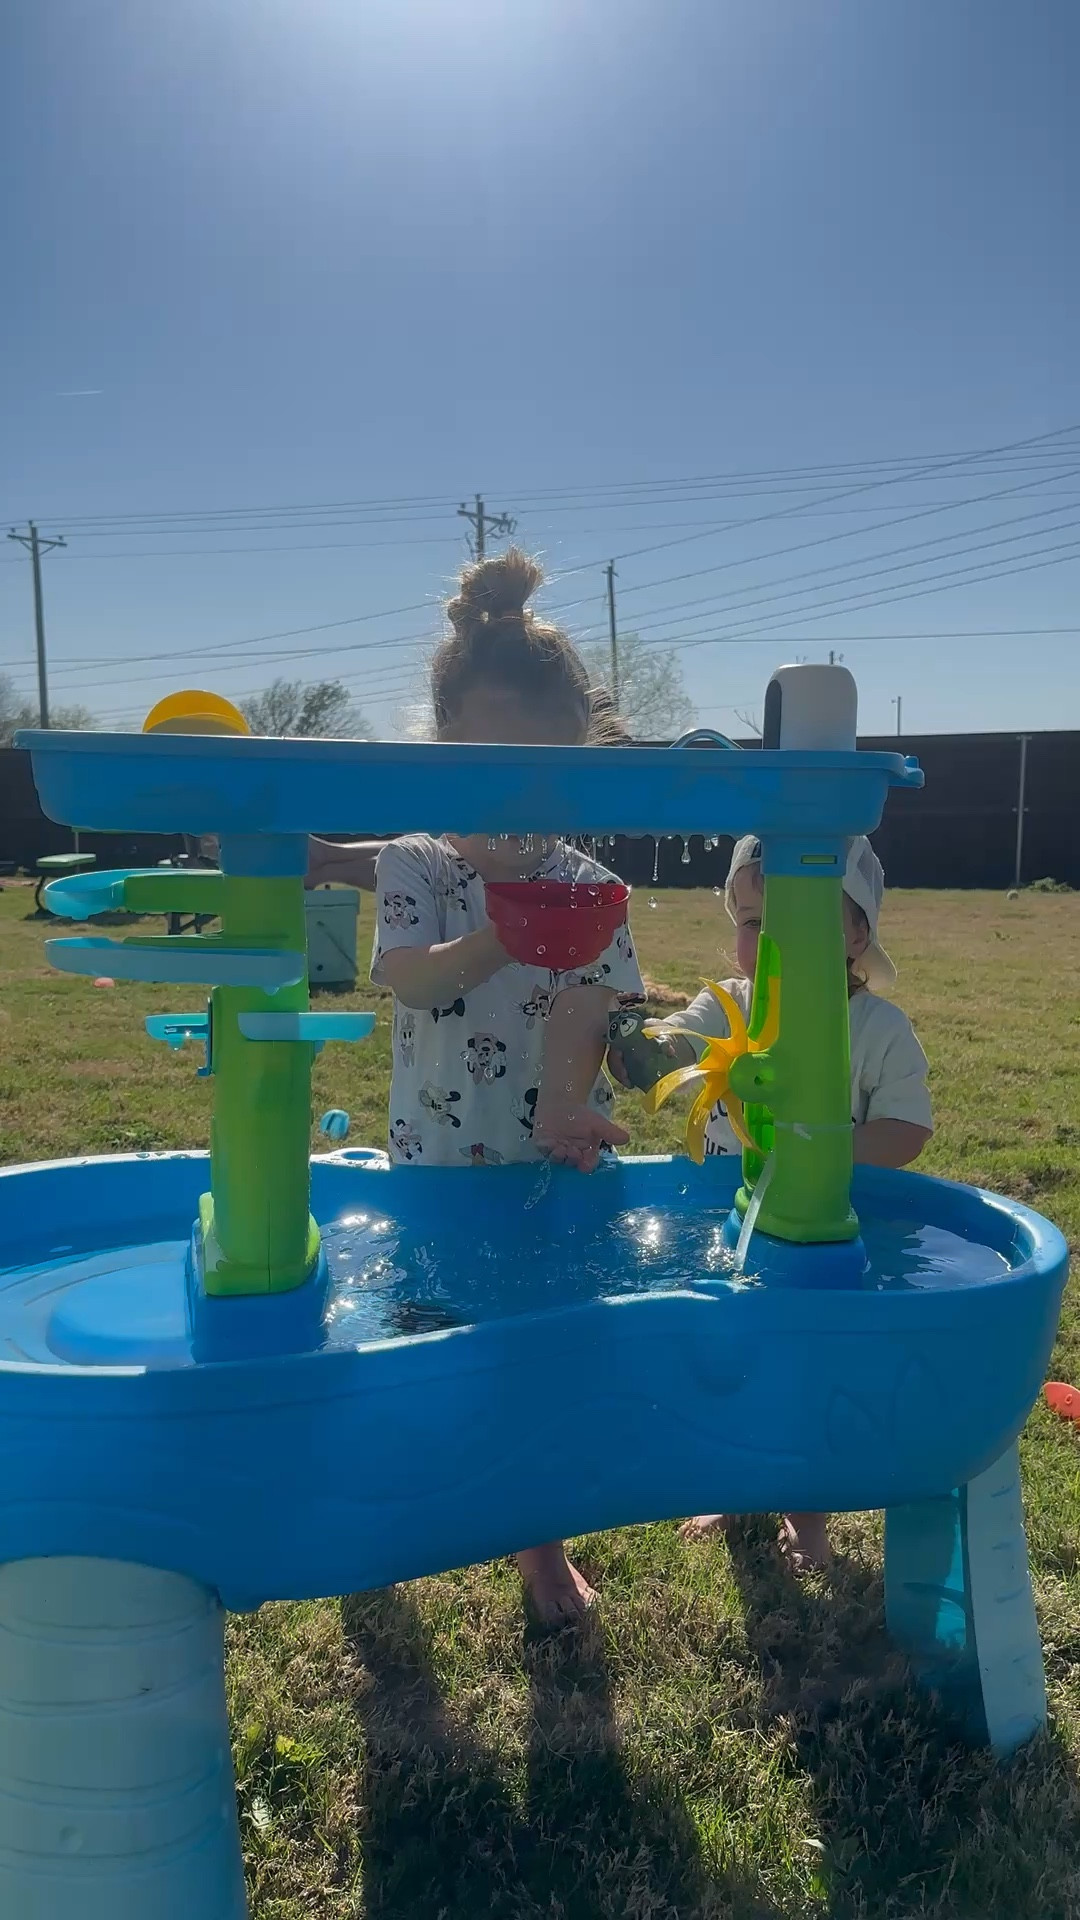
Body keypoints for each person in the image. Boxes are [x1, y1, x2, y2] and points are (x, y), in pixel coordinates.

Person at [370, 547, 644, 1623]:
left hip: (536, 1159)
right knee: (425, 1344)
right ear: (444, 751)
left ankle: (539, 1550)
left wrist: (573, 1104)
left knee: (534, 1354)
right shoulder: (418, 863)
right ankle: (397, 1515)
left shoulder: (591, 883)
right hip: (434, 1161)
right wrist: (501, 929)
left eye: (542, 770)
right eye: (489, 763)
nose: (517, 800)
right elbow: (410, 983)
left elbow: (587, 1006)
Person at [609, 832, 933, 1571]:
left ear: (856, 934)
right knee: (730, 1353)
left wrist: (822, 1155)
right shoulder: (733, 1006)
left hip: (829, 1241)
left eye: (792, 921)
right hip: (739, 1228)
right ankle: (733, 1482)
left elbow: (908, 1129)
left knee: (810, 1369)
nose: (767, 941)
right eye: (753, 924)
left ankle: (806, 1510)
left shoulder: (876, 1028)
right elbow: (680, 1041)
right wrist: (643, 1041)